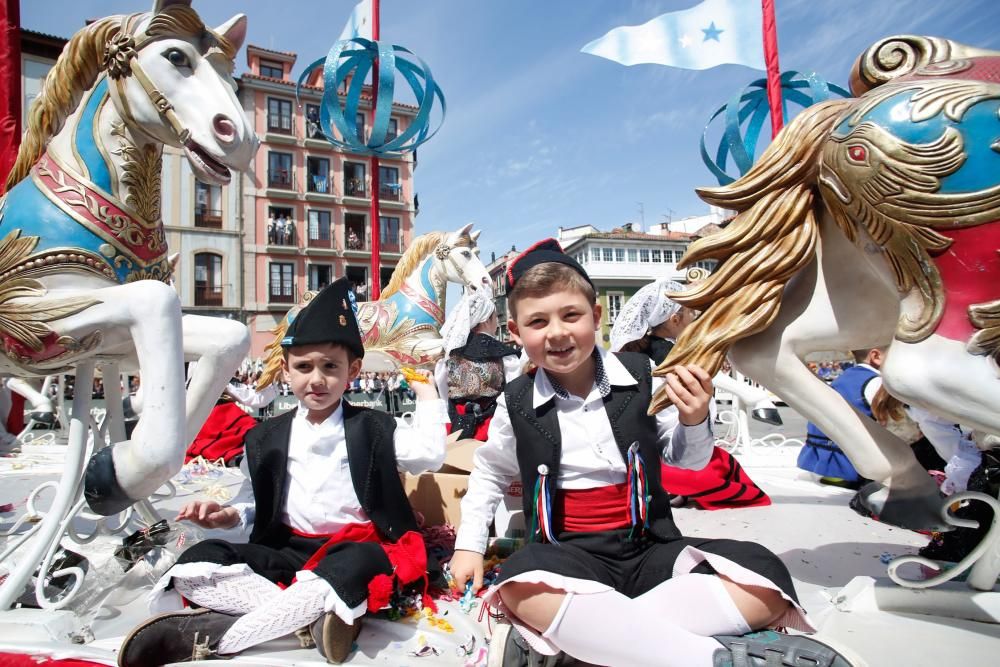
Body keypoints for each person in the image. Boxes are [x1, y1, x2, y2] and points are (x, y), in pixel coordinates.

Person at [449, 240, 850, 667]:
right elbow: (491, 473)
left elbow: (689, 462)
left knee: (764, 579)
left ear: (597, 316)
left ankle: (588, 644)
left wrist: (695, 420)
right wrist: (469, 545)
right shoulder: (517, 401)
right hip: (566, 554)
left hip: (650, 547)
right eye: (538, 321)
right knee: (520, 585)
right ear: (516, 333)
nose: (558, 332)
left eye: (571, 315)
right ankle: (707, 657)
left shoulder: (644, 377)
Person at [117, 278, 449, 666]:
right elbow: (255, 505)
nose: (317, 378)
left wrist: (427, 392)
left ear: (352, 370)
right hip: (289, 550)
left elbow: (429, 455)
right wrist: (228, 517)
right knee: (195, 563)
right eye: (304, 367)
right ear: (286, 372)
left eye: (330, 366)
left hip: (356, 546)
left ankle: (224, 638)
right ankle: (307, 618)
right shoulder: (264, 437)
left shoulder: (373, 426)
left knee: (345, 570)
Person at [610, 279, 771, 510]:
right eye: (690, 313)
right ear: (675, 319)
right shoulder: (668, 353)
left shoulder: (644, 350)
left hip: (647, 446)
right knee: (723, 471)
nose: (693, 319)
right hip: (667, 452)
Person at [434, 289, 521, 440]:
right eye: (494, 317)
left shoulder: (450, 354)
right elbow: (514, 392)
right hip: (494, 425)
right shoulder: (505, 354)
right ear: (486, 319)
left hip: (456, 425)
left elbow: (443, 392)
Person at [798, 349, 882, 487]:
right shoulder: (876, 382)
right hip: (851, 468)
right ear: (876, 356)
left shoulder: (844, 377)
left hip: (822, 462)